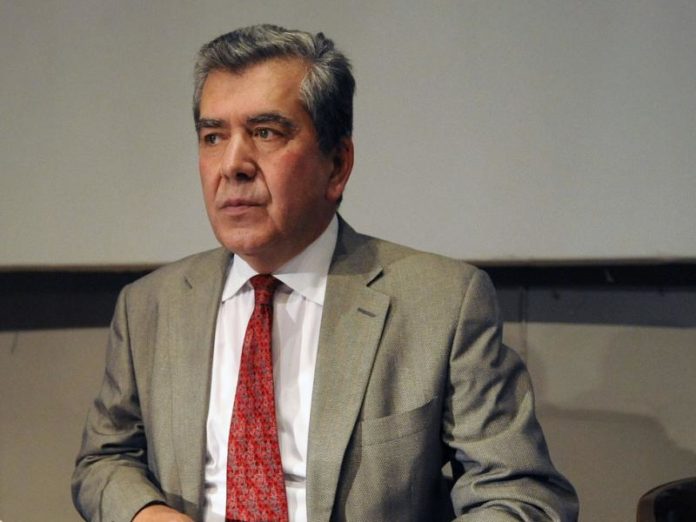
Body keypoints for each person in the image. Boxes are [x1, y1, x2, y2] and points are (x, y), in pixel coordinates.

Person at [72, 24, 578, 522]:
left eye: (265, 133)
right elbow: (104, 460)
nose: (232, 164)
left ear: (336, 166)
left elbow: (521, 495)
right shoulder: (150, 305)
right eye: (213, 136)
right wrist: (145, 514)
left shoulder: (441, 303)